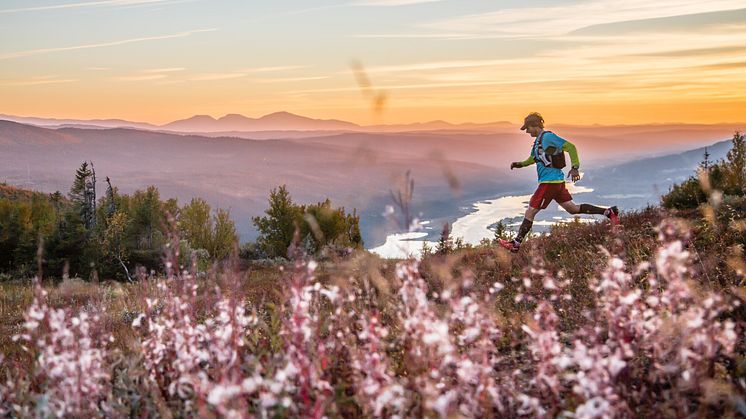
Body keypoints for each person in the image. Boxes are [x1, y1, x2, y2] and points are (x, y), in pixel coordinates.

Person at [498, 112, 619, 253]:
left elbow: (571, 147)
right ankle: (608, 212)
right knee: (572, 209)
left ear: (536, 125)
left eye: (528, 128)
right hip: (556, 182)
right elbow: (533, 158)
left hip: (549, 183)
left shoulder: (548, 137)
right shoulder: (538, 141)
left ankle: (516, 243)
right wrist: (520, 164)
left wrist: (575, 168)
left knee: (530, 211)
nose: (527, 131)